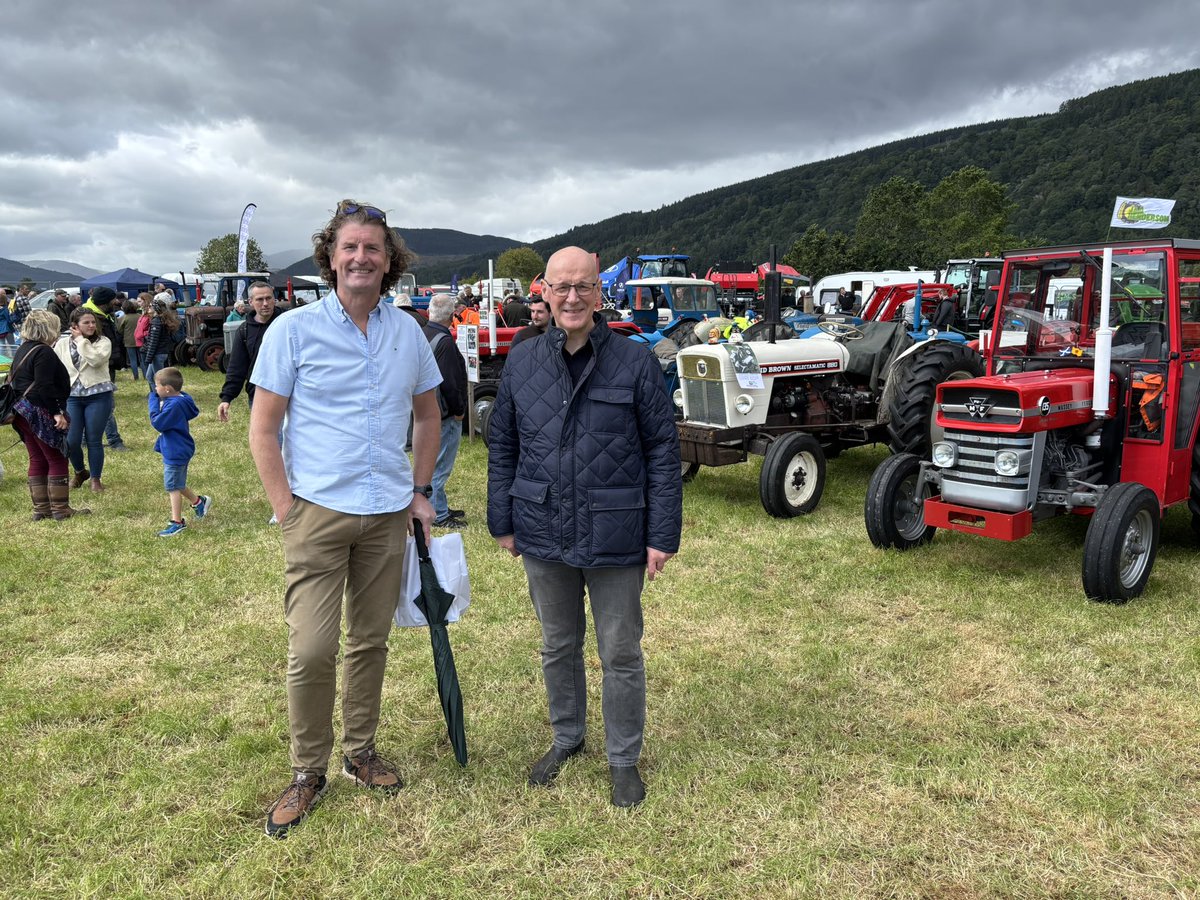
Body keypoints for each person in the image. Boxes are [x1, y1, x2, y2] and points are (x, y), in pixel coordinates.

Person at [250, 199, 442, 838]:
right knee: (311, 649)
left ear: (390, 263)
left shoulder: (408, 332)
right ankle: (309, 770)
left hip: (387, 513)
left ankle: (360, 751)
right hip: (317, 514)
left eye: (374, 249)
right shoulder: (293, 331)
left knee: (370, 641)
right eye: (350, 247)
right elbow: (264, 427)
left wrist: (419, 490)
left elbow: (428, 416)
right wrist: (285, 507)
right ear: (330, 258)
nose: (362, 257)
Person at [487, 246, 683, 809]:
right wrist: (502, 517)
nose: (572, 297)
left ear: (600, 293)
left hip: (616, 529)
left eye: (583, 287)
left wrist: (661, 535)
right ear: (543, 291)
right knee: (557, 644)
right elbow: (503, 443)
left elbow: (662, 453)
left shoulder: (634, 362)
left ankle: (623, 758)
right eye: (561, 287)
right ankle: (567, 738)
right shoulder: (523, 361)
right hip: (542, 524)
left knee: (619, 650)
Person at [9, 310, 90, 519]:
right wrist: (57, 413)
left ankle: (41, 510)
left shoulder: (23, 349)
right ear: (47, 329)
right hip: (39, 410)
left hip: (22, 411)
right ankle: (61, 509)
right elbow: (45, 385)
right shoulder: (43, 352)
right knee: (56, 457)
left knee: (37, 458)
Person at [55, 308, 115, 493]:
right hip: (72, 396)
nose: (91, 325)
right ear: (74, 326)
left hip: (98, 395)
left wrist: (82, 341)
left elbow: (96, 360)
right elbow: (56, 367)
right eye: (86, 322)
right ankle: (80, 472)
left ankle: (96, 479)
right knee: (72, 440)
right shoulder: (62, 344)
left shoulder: (103, 342)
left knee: (93, 439)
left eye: (93, 322)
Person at [422, 293, 468, 528]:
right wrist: (459, 410)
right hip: (445, 413)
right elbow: (450, 381)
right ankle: (439, 513)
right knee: (440, 465)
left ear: (429, 312)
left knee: (433, 462)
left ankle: (440, 505)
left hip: (428, 410)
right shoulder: (445, 341)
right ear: (452, 316)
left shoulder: (424, 334)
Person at [148, 367, 210, 536]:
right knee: (178, 482)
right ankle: (199, 502)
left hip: (175, 450)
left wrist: (153, 401)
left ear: (167, 389)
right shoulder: (181, 398)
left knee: (172, 486)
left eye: (157, 386)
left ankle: (177, 522)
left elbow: (158, 423)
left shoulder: (173, 405)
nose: (155, 389)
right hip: (181, 447)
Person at [217, 281, 281, 422]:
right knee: (265, 442)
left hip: (288, 395)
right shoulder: (244, 330)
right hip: (259, 396)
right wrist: (227, 397)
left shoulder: (287, 323)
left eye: (269, 298)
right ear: (251, 302)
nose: (265, 303)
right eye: (260, 299)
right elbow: (237, 366)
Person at [82, 287, 129, 452]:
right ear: (105, 302)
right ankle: (115, 441)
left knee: (94, 403)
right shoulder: (93, 319)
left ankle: (84, 440)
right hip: (99, 367)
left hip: (107, 364)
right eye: (113, 300)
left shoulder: (101, 316)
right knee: (105, 405)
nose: (116, 302)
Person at [141, 297, 180, 385]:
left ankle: (161, 397)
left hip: (158, 353)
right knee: (150, 377)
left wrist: (148, 358)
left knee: (158, 379)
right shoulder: (160, 320)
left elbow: (153, 341)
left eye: (151, 306)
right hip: (160, 352)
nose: (148, 308)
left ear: (156, 309)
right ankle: (156, 396)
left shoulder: (156, 322)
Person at [115, 299, 142, 380]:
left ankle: (136, 377)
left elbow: (119, 330)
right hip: (140, 340)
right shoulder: (140, 316)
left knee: (132, 360)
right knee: (142, 360)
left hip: (129, 341)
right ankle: (145, 375)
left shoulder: (123, 318)